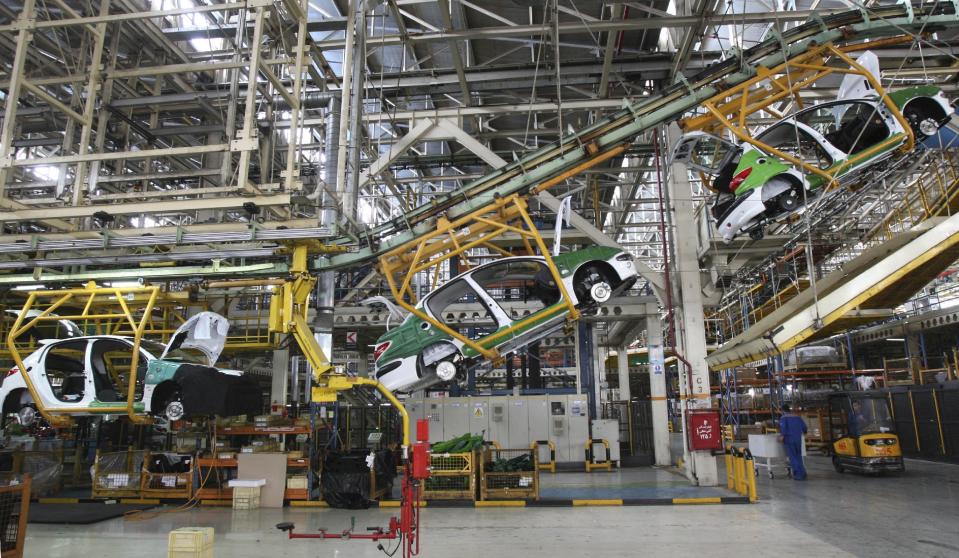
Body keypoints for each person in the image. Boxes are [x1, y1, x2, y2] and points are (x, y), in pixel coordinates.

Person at [778, 404, 808, 481]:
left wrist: (781, 436)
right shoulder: (797, 417)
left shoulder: (783, 418)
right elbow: (804, 427)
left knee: (793, 457)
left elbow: (783, 427)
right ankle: (803, 473)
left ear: (782, 411)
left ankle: (798, 475)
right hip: (798, 439)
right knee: (799, 456)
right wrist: (803, 432)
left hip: (789, 439)